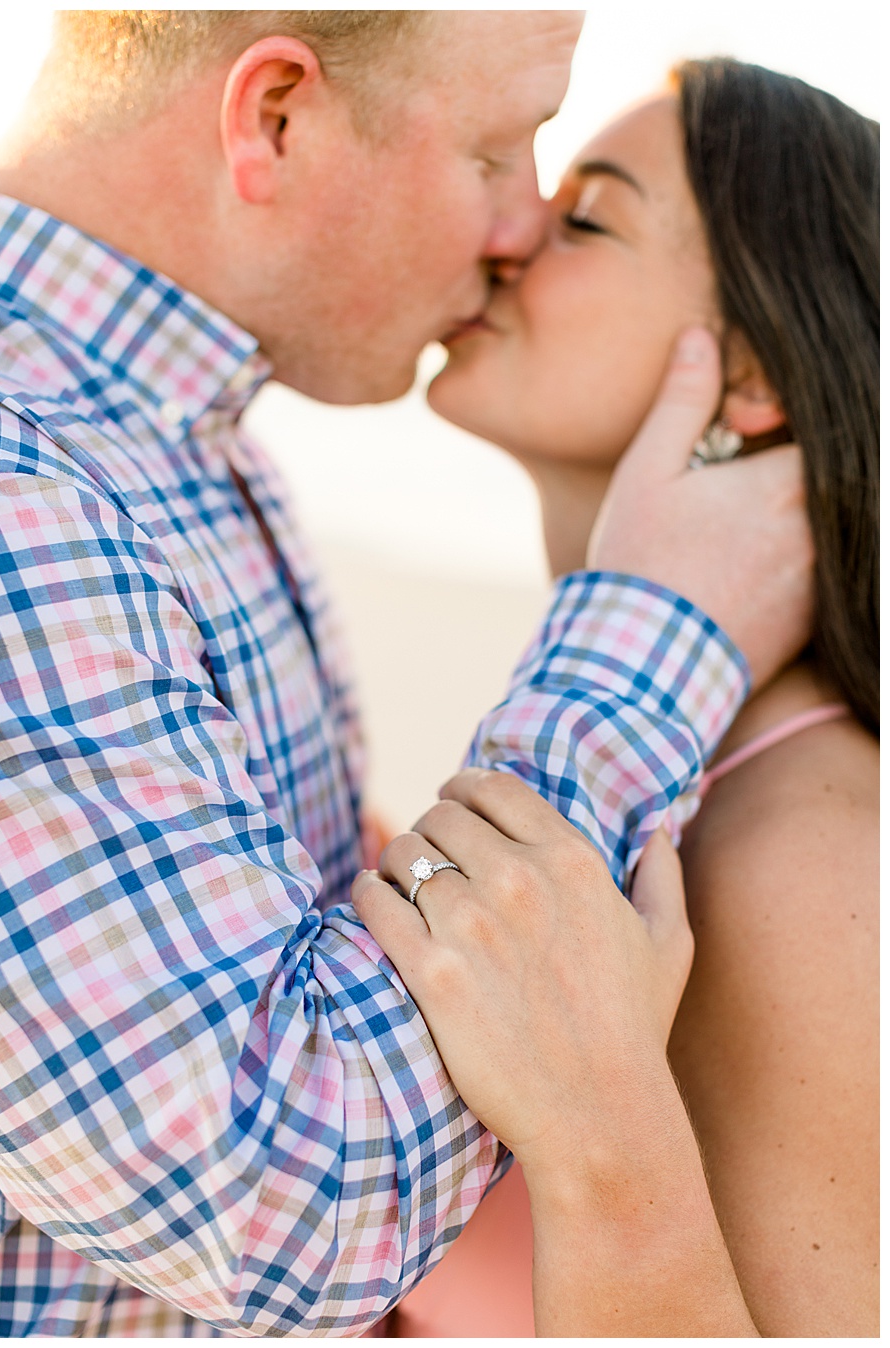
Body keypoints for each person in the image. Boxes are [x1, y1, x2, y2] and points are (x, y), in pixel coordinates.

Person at [0, 11, 816, 1335]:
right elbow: (292, 1211)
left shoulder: (206, 463)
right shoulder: (32, 498)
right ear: (274, 117)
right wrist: (665, 620)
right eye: (499, 152)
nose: (517, 231)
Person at [368, 57, 878, 1336]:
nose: (511, 231)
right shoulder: (655, 771)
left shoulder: (806, 864)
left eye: (588, 216)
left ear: (751, 372)